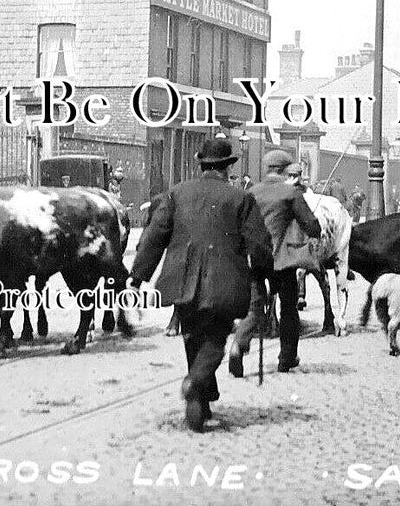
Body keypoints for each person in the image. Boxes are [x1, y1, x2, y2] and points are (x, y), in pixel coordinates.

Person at [128, 138, 266, 432]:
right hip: (224, 281)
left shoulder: (176, 194)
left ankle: (201, 406)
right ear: (228, 167)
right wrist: (265, 273)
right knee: (215, 339)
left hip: (182, 279)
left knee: (192, 336)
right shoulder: (241, 198)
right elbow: (259, 244)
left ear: (201, 164)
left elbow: (154, 237)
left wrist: (137, 277)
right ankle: (195, 383)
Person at [230, 149, 322, 377]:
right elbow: (311, 225)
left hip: (254, 259)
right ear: (284, 169)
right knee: (288, 307)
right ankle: (286, 358)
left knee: (254, 307)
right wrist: (313, 228)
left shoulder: (251, 192)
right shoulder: (290, 193)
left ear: (267, 169)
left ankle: (238, 345)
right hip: (281, 260)